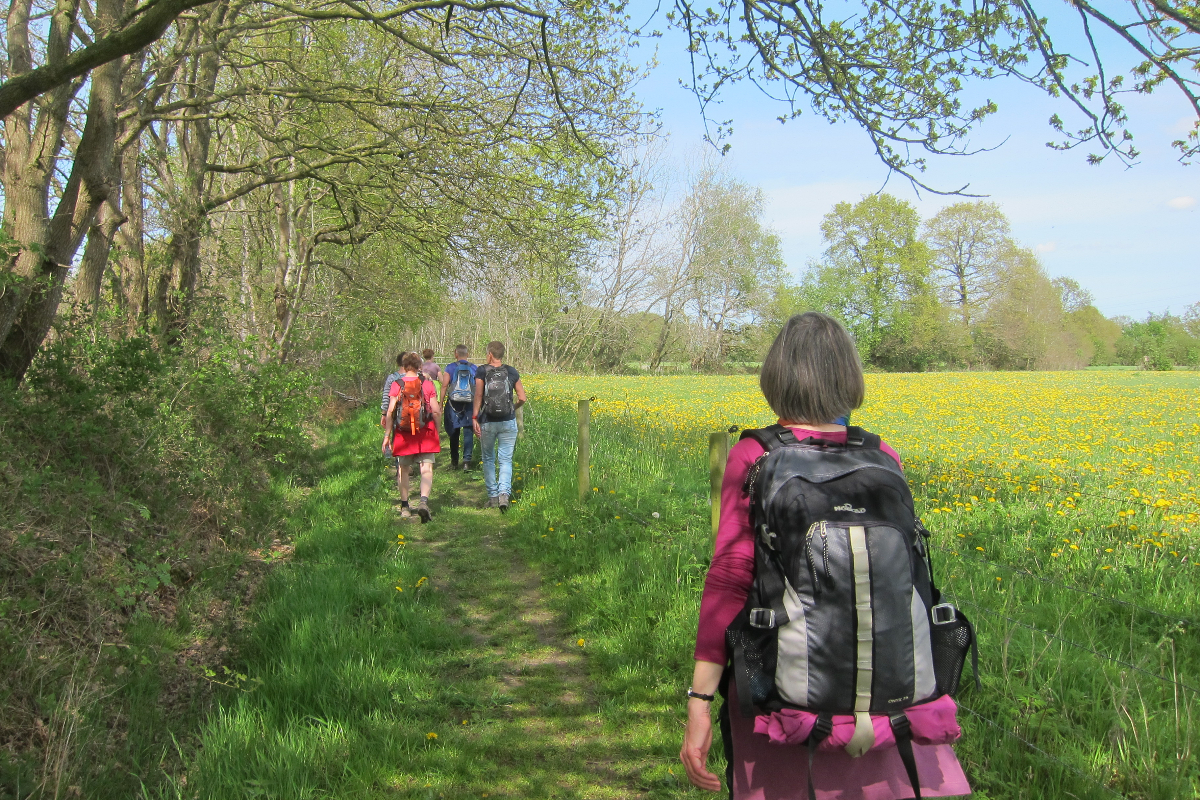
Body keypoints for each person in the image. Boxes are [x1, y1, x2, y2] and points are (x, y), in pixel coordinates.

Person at [680, 312, 970, 799]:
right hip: (891, 697)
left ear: (777, 375)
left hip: (783, 697)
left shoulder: (755, 455)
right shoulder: (883, 456)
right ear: (847, 376)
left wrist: (699, 699)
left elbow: (731, 577)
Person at [383, 352, 442, 522]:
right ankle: (423, 501)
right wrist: (436, 431)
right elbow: (436, 411)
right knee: (426, 468)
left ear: (403, 366)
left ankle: (405, 506)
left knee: (403, 469)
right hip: (425, 432)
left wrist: (387, 435)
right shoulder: (427, 384)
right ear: (419, 366)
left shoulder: (397, 384)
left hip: (404, 433)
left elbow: (390, 411)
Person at [471, 340, 525, 511]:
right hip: (508, 421)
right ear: (502, 355)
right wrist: (512, 408)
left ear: (489, 354)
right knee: (506, 460)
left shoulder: (482, 371)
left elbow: (478, 395)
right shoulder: (511, 371)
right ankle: (504, 495)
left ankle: (493, 497)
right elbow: (522, 398)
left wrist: (474, 417)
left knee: (488, 458)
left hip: (488, 421)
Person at [440, 344, 477, 470]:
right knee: (468, 431)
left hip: (453, 404)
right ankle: (467, 462)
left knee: (453, 431)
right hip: (469, 403)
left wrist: (440, 403)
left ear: (456, 354)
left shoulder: (450, 367)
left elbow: (444, 386)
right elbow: (478, 387)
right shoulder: (474, 368)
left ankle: (454, 462)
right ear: (467, 354)